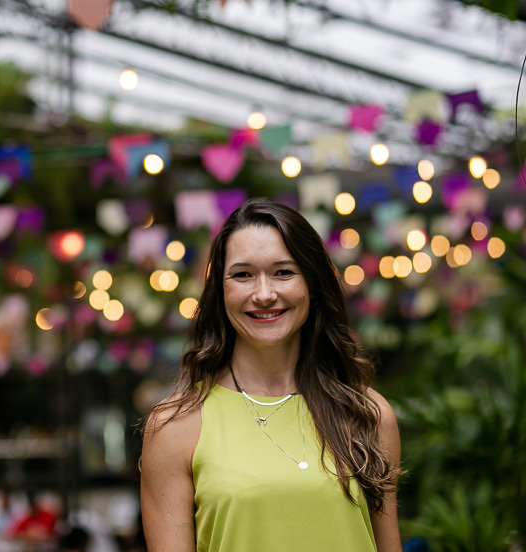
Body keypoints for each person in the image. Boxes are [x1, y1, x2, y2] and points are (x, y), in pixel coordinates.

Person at [140, 198, 401, 551]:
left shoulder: (367, 414)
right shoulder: (176, 427)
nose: (264, 294)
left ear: (312, 284)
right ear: (221, 290)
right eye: (243, 275)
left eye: (283, 272)